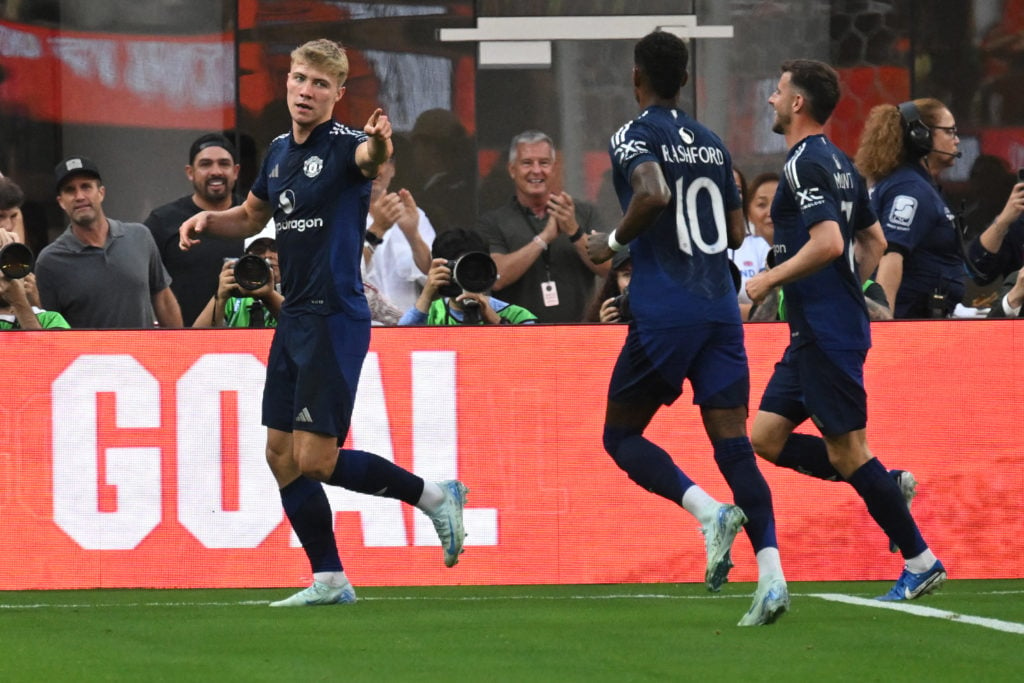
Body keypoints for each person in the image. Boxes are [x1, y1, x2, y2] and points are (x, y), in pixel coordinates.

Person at [178, 39, 468, 607]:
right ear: (287, 82)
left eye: (319, 84)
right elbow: (251, 214)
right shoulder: (281, 150)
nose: (306, 90)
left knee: (317, 459)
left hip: (335, 316)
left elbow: (371, 159)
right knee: (280, 455)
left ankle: (435, 496)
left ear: (337, 93)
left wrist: (381, 140)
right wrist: (206, 222)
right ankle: (330, 578)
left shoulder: (348, 147)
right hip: (295, 317)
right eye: (299, 78)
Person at [586, 30, 787, 627]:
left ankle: (707, 513)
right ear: (685, 77)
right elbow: (731, 235)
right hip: (720, 311)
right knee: (733, 446)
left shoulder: (634, 133)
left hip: (668, 312)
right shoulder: (713, 143)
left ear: (636, 75)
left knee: (620, 437)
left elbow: (651, 193)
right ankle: (773, 576)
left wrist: (614, 243)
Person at [745, 59, 945, 601]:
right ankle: (886, 482)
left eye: (777, 91)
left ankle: (920, 560)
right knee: (764, 437)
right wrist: (852, 291)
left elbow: (832, 242)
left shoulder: (802, 165)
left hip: (826, 332)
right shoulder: (840, 163)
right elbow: (873, 242)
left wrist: (766, 281)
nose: (770, 100)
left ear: (797, 104)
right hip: (818, 329)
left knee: (847, 451)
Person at [477, 130, 609, 323]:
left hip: (579, 334)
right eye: (527, 163)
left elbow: (608, 269)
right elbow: (496, 278)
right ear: (512, 170)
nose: (536, 170)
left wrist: (574, 232)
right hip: (516, 336)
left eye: (544, 163)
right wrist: (543, 239)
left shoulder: (583, 213)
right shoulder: (493, 222)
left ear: (554, 168)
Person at [853, 98, 969, 318]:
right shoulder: (910, 189)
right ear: (921, 136)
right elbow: (890, 255)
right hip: (912, 325)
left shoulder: (909, 183)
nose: (957, 140)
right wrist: (884, 326)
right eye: (949, 131)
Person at [36, 157, 183, 329]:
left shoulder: (140, 236)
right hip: (86, 356)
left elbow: (163, 298)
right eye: (70, 190)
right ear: (61, 201)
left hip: (141, 354)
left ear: (101, 193)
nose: (79, 196)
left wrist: (179, 347)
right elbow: (48, 328)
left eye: (86, 187)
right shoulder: (49, 261)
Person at [144, 133, 246, 325]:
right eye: (205, 164)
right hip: (186, 346)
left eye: (224, 164)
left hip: (253, 343)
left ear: (236, 171)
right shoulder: (162, 221)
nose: (216, 171)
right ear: (190, 172)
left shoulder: (256, 218)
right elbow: (140, 279)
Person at [398, 228, 537, 325]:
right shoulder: (431, 314)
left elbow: (534, 356)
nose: (466, 274)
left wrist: (497, 322)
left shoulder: (518, 316)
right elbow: (399, 346)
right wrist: (426, 295)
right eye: (456, 269)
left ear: (486, 268)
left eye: (473, 268)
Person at [361, 152, 435, 313]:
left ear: (392, 169)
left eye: (381, 162)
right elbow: (344, 274)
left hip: (408, 329)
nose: (375, 170)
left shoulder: (415, 215)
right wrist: (378, 229)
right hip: (361, 330)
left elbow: (434, 276)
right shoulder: (337, 216)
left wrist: (413, 236)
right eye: (367, 162)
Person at [193, 237, 283, 328]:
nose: (267, 255)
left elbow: (296, 325)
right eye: (259, 250)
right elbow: (196, 339)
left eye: (275, 248)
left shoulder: (294, 293)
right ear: (247, 257)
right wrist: (220, 297)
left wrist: (268, 295)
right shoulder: (234, 297)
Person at [729, 169, 773, 320]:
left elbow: (768, 307)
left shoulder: (760, 246)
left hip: (756, 336)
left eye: (738, 191)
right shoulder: (695, 247)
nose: (730, 196)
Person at [582, 248, 632, 323]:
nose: (634, 281)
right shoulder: (613, 310)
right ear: (615, 280)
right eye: (627, 274)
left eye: (640, 273)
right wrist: (605, 328)